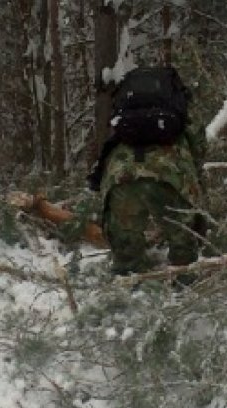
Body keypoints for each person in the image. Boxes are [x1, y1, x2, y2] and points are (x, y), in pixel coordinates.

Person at [88, 66, 205, 276]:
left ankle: (129, 288)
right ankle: (185, 286)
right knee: (184, 248)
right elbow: (197, 155)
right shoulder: (180, 122)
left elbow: (104, 158)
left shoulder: (125, 127)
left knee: (125, 252)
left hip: (121, 176)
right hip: (170, 176)